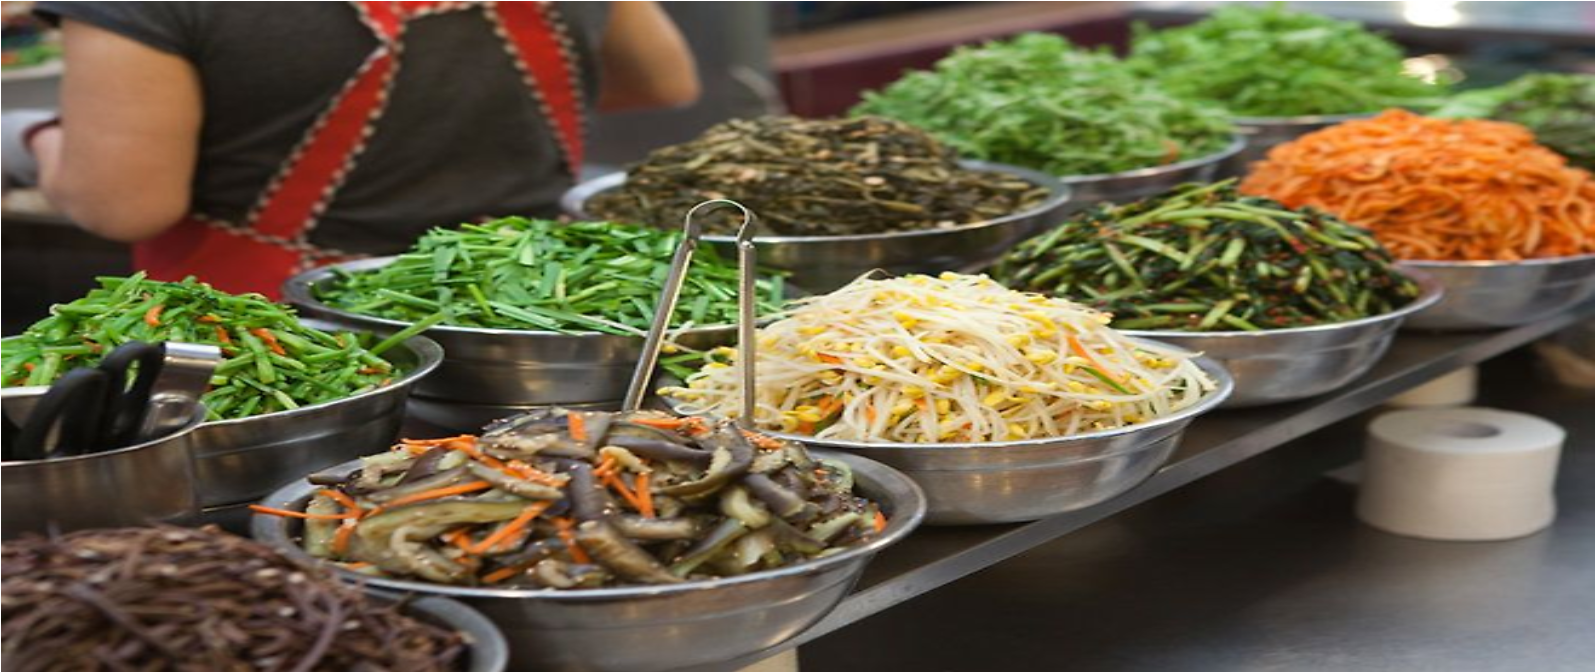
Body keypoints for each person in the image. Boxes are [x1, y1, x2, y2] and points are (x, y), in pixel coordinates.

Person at [5, 1, 698, 296]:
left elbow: (123, 204)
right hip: (530, 320)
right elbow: (659, 81)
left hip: (284, 359)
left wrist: (28, 137)